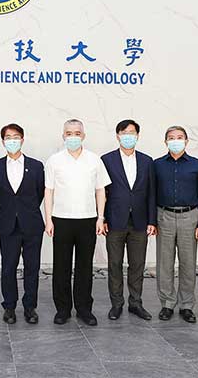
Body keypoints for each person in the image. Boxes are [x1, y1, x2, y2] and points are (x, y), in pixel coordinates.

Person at [44, 119, 111, 326]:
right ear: (63, 136)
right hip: (61, 219)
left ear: (83, 136)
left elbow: (100, 190)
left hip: (87, 220)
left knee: (85, 266)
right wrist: (48, 220)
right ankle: (62, 309)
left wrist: (100, 217)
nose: (73, 137)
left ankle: (84, 309)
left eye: (77, 133)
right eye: (69, 133)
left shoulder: (94, 160)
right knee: (61, 266)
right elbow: (49, 191)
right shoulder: (54, 160)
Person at [153, 125, 198, 323]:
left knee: (188, 262)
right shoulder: (157, 165)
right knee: (164, 263)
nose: (175, 141)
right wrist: (152, 221)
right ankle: (167, 304)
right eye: (171, 137)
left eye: (179, 137)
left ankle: (186, 305)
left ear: (186, 141)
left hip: (190, 217)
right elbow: (151, 194)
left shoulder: (197, 165)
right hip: (164, 216)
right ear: (165, 142)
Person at [100, 119, 157, 321]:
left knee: (137, 264)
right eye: (124, 133)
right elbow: (101, 191)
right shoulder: (106, 160)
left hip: (140, 221)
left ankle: (136, 303)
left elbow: (152, 193)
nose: (128, 136)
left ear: (137, 136)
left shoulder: (147, 161)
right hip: (114, 221)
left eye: (132, 133)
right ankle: (116, 304)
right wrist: (102, 218)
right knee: (115, 264)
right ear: (118, 136)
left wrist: (152, 221)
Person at [0, 123, 45, 325]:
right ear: (3, 141)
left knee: (32, 267)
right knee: (8, 267)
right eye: (8, 137)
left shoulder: (36, 166)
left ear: (22, 139)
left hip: (32, 224)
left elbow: (39, 193)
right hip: (8, 224)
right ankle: (9, 307)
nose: (12, 140)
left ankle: (30, 307)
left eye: (15, 137)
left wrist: (25, 210)